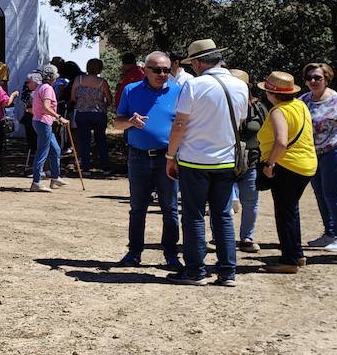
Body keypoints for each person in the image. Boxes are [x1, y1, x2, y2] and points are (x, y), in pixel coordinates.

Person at [165, 39, 247, 287]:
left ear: (198, 62)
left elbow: (179, 124)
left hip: (194, 160)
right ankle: (227, 272)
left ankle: (195, 270)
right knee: (222, 216)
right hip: (225, 161)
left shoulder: (194, 85)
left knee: (194, 215)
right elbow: (240, 122)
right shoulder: (240, 86)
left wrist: (171, 156)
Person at [111, 51, 183, 270]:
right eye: (157, 70)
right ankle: (134, 253)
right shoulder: (131, 90)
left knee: (170, 208)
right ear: (145, 70)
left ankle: (171, 255)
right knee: (137, 207)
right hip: (138, 157)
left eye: (166, 70)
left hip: (167, 158)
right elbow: (117, 123)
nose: (162, 74)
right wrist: (130, 122)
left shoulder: (178, 91)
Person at [254, 72, 317, 274]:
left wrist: (270, 165)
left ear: (271, 93)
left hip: (287, 166)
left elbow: (281, 141)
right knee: (291, 210)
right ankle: (297, 254)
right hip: (306, 164)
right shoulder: (301, 105)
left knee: (284, 213)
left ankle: (289, 260)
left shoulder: (278, 111)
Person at [299, 63, 337, 253]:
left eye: (317, 77)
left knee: (333, 194)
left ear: (327, 79)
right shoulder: (304, 100)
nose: (313, 81)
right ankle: (330, 233)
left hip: (333, 152)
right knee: (320, 193)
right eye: (309, 78)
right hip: (312, 154)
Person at [230, 69, 268, 254]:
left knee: (250, 201)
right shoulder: (219, 105)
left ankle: (247, 237)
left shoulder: (259, 109)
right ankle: (220, 237)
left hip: (252, 160)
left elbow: (268, 133)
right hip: (224, 160)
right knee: (221, 201)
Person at [29, 65, 69, 192]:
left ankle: (55, 177)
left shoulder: (40, 87)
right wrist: (60, 117)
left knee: (55, 149)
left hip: (40, 122)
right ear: (52, 76)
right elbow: (46, 107)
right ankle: (36, 182)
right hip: (43, 122)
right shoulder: (47, 88)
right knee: (42, 152)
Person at [71, 58, 113, 172]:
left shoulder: (78, 79)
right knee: (101, 140)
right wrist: (103, 105)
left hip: (82, 113)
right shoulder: (102, 82)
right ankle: (105, 167)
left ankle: (86, 168)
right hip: (98, 114)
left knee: (84, 141)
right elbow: (109, 99)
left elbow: (73, 97)